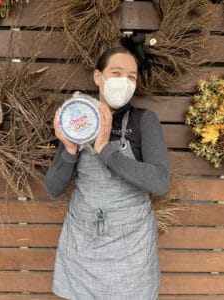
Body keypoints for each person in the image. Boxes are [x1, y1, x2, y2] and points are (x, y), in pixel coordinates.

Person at [44, 47, 170, 300]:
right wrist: (69, 149)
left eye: (131, 77)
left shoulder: (143, 121)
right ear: (98, 77)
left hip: (132, 247)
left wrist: (104, 149)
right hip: (83, 244)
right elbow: (54, 187)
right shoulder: (79, 118)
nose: (124, 81)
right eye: (116, 72)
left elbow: (159, 182)